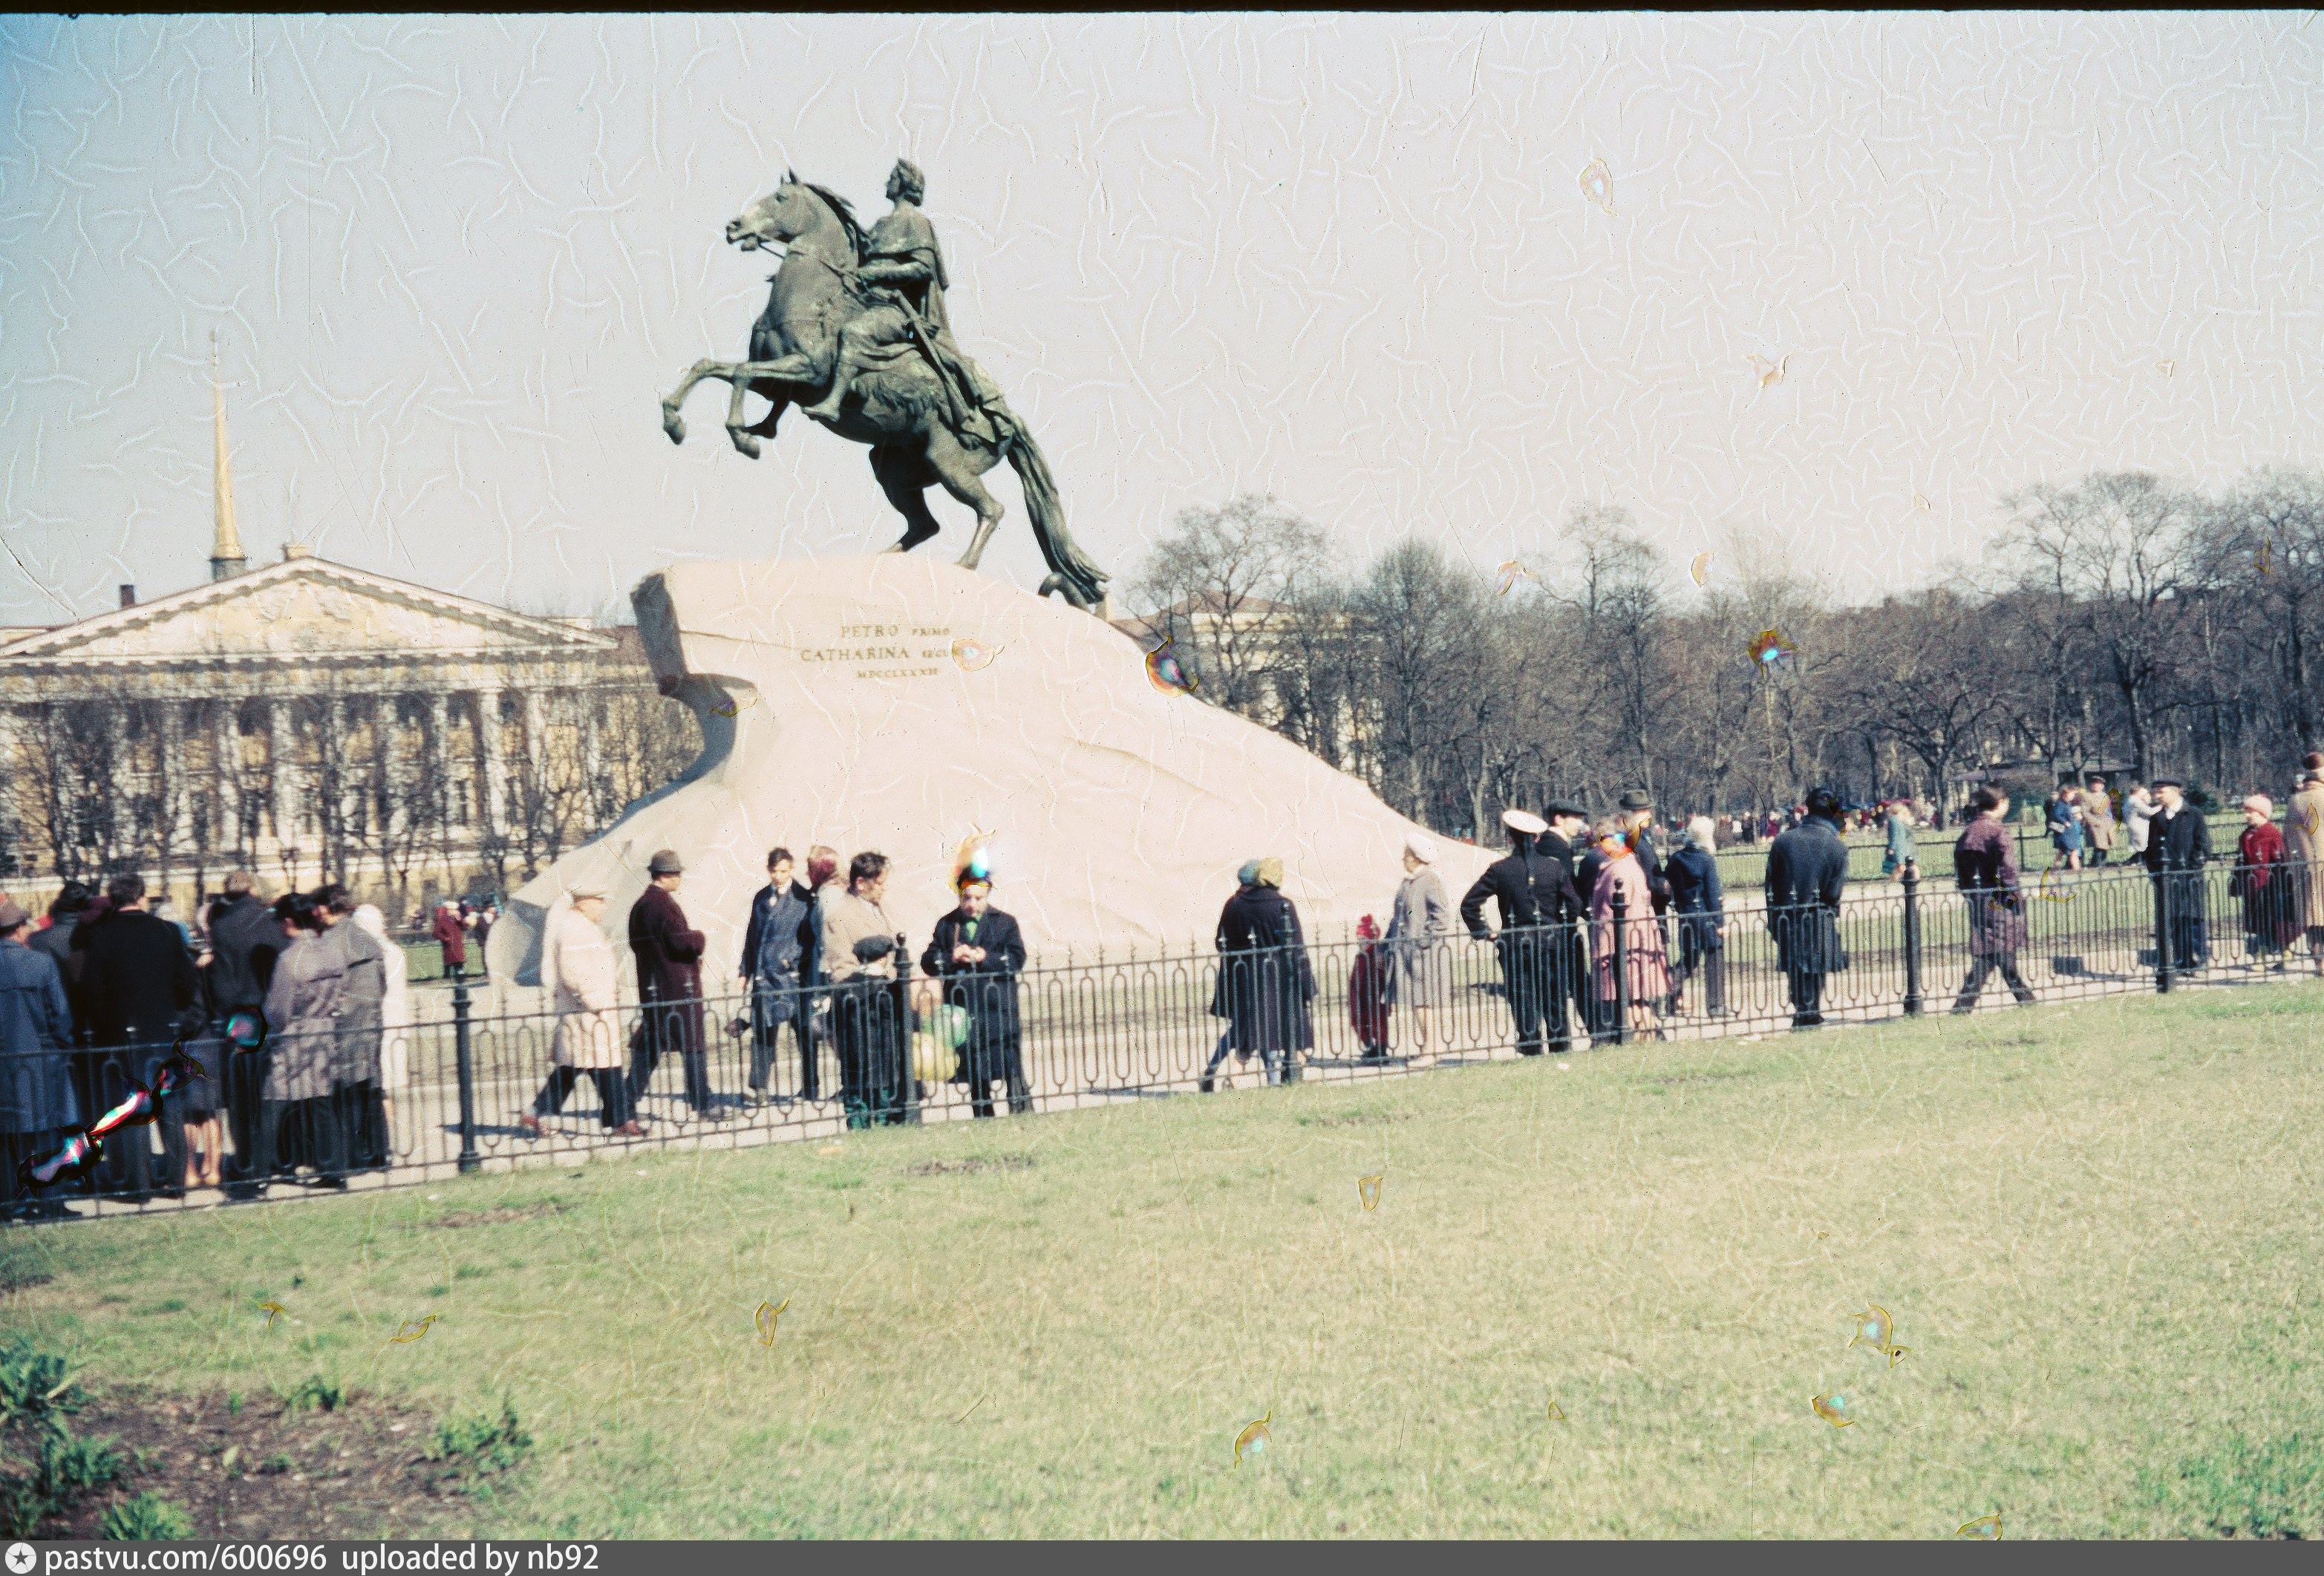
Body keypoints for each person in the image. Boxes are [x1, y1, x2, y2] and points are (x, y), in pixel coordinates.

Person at [75, 872, 204, 1200]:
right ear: (141, 896)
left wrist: (108, 1025)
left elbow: (92, 989)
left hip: (122, 1034)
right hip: (163, 1030)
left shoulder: (101, 935)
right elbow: (188, 982)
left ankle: (140, 1186)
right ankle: (177, 1182)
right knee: (169, 1105)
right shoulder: (166, 931)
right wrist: (173, 1013)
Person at [1460, 809, 1583, 1059]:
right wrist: (1562, 928)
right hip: (1551, 944)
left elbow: (1469, 904)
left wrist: (1486, 932)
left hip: (1516, 945)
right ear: (1537, 838)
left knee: (1523, 1000)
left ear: (1509, 838)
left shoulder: (1499, 870)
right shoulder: (1553, 867)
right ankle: (1560, 1049)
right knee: (1555, 1000)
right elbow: (1575, 905)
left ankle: (1531, 1049)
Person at [523, 886, 642, 1137]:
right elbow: (572, 971)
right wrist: (593, 1001)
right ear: (582, 903)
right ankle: (622, 1120)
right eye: (598, 901)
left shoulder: (582, 926)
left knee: (575, 1066)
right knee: (604, 1066)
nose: (603, 906)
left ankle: (536, 1112)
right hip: (588, 1012)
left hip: (591, 1012)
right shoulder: (573, 929)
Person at [257, 892, 354, 1191]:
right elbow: (344, 994)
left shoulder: (289, 960)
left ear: (288, 922)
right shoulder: (334, 952)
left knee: (274, 1103)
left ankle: (259, 1174)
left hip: (295, 1035)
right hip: (324, 1031)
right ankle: (334, 1170)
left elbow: (277, 1009)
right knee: (321, 1103)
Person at [921, 872, 1031, 1118]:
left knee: (1009, 1062)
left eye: (978, 898)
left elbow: (1016, 959)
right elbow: (928, 961)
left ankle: (1021, 1111)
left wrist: (986, 958)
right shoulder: (947, 924)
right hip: (965, 1008)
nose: (972, 904)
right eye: (967, 898)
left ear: (988, 895)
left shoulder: (1004, 923)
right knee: (976, 1065)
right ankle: (983, 1115)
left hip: (997, 1008)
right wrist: (950, 957)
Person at [0, 898, 77, 1220]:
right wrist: (65, 1044)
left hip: (5, 1063)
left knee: (5, 1137)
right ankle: (49, 1201)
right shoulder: (40, 964)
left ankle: (7, 1203)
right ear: (19, 929)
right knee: (46, 1132)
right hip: (39, 1060)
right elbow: (59, 1015)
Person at [206, 871, 281, 1200]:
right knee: (267, 1088)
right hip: (268, 1006)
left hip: (239, 1013)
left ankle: (247, 1157)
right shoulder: (270, 920)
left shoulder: (221, 925)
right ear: (252, 889)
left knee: (241, 1093)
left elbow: (223, 976)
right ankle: (270, 1158)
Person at [629, 850, 717, 1121]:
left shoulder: (640, 905)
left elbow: (635, 945)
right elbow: (680, 942)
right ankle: (703, 1104)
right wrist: (700, 938)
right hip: (679, 987)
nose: (680, 878)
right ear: (666, 876)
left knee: (651, 1046)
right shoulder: (663, 905)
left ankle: (624, 1102)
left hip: (653, 986)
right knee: (692, 1044)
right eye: (677, 873)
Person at [1213, 856, 1317, 1085]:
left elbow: (1222, 942)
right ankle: (1295, 1077)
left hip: (1248, 983)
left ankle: (1233, 1079)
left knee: (1247, 1037)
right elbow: (1297, 948)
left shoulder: (1234, 904)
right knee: (1296, 1034)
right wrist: (1308, 984)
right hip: (1283, 981)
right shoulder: (1283, 905)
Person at [820, 851, 905, 1127]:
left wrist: (891, 972)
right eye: (879, 883)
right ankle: (862, 1128)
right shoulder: (839, 916)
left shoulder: (880, 908)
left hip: (885, 1008)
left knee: (887, 1076)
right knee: (861, 1079)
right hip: (858, 1011)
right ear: (860, 883)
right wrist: (872, 972)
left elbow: (897, 958)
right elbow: (841, 970)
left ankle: (885, 1124)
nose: (885, 888)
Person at [1766, 786, 1851, 1030]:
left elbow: (1771, 888)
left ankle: (1806, 1013)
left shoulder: (1784, 841)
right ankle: (1809, 1013)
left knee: (1799, 974)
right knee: (1814, 973)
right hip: (1819, 916)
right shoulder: (1836, 845)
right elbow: (1833, 894)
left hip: (1788, 918)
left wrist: (1774, 922)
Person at [1951, 786, 2039, 1013]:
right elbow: (2008, 870)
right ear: (2000, 802)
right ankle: (1963, 1008)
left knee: (1992, 953)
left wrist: (1969, 891)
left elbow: (1962, 870)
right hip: (1999, 897)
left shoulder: (1969, 830)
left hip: (1978, 897)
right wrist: (2016, 900)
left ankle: (2025, 1002)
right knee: (1996, 952)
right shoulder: (1998, 831)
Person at [742, 849, 817, 1108]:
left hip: (792, 978)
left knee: (804, 1031)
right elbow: (751, 937)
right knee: (763, 1032)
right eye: (774, 870)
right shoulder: (761, 898)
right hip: (765, 977)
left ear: (792, 869)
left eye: (783, 870)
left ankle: (811, 1086)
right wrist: (746, 970)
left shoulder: (804, 899)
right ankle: (758, 1087)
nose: (778, 876)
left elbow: (810, 939)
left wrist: (793, 960)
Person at [1587, 818, 1669, 1040]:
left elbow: (1612, 911)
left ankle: (1645, 1037)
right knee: (1636, 997)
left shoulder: (1619, 868)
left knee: (1633, 997)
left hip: (1624, 940)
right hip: (1634, 937)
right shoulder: (1625, 862)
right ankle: (1649, 1037)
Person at [1384, 831, 1452, 1065]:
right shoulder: (1409, 882)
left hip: (1424, 956)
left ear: (1415, 857)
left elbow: (1442, 916)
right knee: (1417, 1002)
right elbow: (1406, 914)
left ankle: (1430, 1052)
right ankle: (1428, 1048)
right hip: (1407, 954)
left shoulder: (1430, 880)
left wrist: (1422, 940)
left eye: (1406, 855)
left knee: (1424, 1002)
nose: (1403, 859)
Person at [1201, 860, 1264, 1091]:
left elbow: (1220, 940)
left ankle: (1213, 1070)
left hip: (1232, 974)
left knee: (1242, 1027)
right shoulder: (1251, 904)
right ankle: (1273, 1078)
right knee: (1252, 1026)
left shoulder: (1232, 903)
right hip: (1252, 975)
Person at [350, 903, 411, 1140]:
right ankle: (385, 1136)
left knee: (379, 1084)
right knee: (384, 1085)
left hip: (379, 1020)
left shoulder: (373, 952)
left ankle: (381, 1138)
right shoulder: (393, 949)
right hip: (395, 1019)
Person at [2144, 777, 2212, 975]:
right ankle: (2183, 960)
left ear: (2175, 792)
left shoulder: (2194, 815)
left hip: (2189, 878)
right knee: (2173, 920)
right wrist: (2155, 873)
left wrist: (2191, 869)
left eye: (2161, 792)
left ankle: (2199, 959)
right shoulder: (2156, 818)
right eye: (2156, 792)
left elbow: (2203, 847)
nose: (2157, 796)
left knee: (2192, 919)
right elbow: (2151, 849)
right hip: (2166, 879)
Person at [1665, 816, 1727, 1016]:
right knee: (1714, 957)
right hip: (1706, 914)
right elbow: (1712, 893)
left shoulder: (1676, 859)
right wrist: (1720, 922)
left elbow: (1669, 886)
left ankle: (1667, 994)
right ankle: (1716, 1006)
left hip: (1686, 914)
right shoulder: (1707, 860)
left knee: (1688, 959)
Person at [2230, 795, 2299, 971]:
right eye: (2246, 812)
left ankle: (2262, 957)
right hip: (2251, 885)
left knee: (2268, 921)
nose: (2247, 815)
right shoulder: (2245, 835)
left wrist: (2283, 883)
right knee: (2258, 921)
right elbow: (2241, 860)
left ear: (2261, 813)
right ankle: (2285, 953)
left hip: (2269, 886)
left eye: (2250, 812)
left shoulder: (2272, 834)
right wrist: (2236, 880)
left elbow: (2280, 860)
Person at [2290, 755, 2324, 977]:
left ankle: (2319, 960)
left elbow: (2288, 836)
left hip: (2305, 868)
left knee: (2313, 917)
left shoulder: (2295, 801)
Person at [1348, 915, 1392, 1063]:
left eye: (1365, 941)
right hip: (1360, 997)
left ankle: (1381, 1049)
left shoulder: (1376, 957)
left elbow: (1380, 978)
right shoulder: (1361, 957)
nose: (1362, 944)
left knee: (1377, 1022)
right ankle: (1370, 1046)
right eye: (1359, 941)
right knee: (1359, 1021)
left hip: (1374, 997)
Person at [2082, 775, 2118, 867]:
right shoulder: (2087, 796)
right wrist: (2094, 822)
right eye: (2093, 784)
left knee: (2106, 843)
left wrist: (2112, 822)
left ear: (2102, 786)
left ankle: (2103, 862)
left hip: (2106, 821)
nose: (2095, 786)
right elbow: (2084, 812)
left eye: (2098, 784)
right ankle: (2097, 863)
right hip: (2095, 822)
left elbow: (2109, 810)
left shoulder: (2105, 796)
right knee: (2099, 844)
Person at [1880, 801, 1920, 880]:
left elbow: (1895, 835)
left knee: (1900, 865)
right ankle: (1916, 878)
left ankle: (1896, 880)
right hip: (1907, 846)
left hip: (1899, 847)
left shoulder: (1893, 820)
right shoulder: (1903, 819)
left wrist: (1892, 848)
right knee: (1911, 865)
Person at [2123, 782, 2157, 864]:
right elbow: (2149, 812)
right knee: (2143, 845)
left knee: (2141, 845)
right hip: (2139, 826)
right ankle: (2137, 861)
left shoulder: (2129, 800)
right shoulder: (2136, 801)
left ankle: (2135, 860)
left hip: (2134, 825)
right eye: (2144, 792)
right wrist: (2161, 806)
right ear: (2138, 792)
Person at [432, 902, 467, 981]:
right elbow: (436, 932)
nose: (454, 911)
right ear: (448, 910)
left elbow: (465, 928)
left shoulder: (458, 918)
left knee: (459, 960)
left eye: (455, 909)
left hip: (458, 944)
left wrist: (459, 919)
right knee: (449, 960)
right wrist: (445, 938)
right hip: (448, 944)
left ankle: (459, 973)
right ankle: (447, 975)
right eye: (452, 909)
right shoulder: (442, 919)